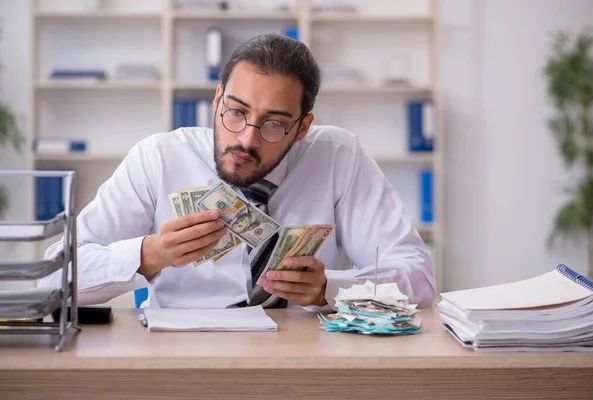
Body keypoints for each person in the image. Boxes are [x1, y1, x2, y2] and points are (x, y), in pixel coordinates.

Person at [38, 33, 436, 310]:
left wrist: (328, 288)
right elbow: (52, 277)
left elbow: (418, 278)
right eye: (236, 112)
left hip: (307, 366)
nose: (246, 140)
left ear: (303, 128)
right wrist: (148, 255)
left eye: (275, 124)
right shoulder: (158, 159)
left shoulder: (339, 157)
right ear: (216, 100)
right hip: (182, 365)